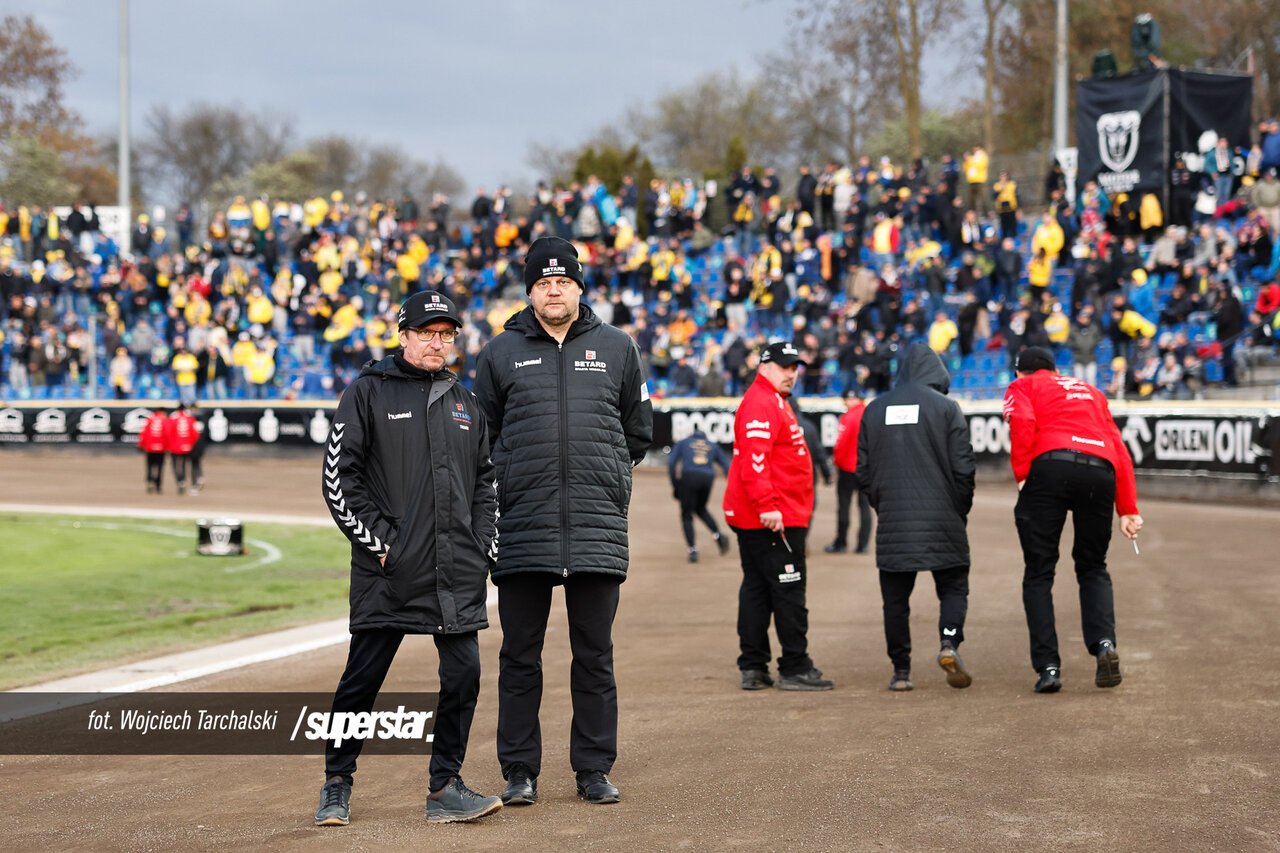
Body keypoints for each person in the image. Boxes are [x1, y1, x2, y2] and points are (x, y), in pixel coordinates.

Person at [473, 235, 653, 807]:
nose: (555, 291)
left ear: (579, 287)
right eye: (544, 283)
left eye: (564, 282)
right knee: (519, 657)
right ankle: (519, 771)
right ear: (530, 292)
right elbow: (481, 438)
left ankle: (593, 769)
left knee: (594, 655)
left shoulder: (618, 347)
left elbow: (638, 431)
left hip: (596, 526)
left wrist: (609, 478)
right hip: (522, 524)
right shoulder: (499, 352)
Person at [315, 290, 503, 826]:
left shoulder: (466, 403)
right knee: (362, 680)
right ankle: (336, 783)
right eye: (426, 333)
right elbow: (339, 479)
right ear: (404, 337)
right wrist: (384, 547)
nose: (437, 343)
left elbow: (486, 484)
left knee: (463, 677)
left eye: (446, 334)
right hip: (390, 572)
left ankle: (445, 787)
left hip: (455, 571)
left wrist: (482, 546)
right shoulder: (366, 392)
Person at [1002, 346, 1142, 694]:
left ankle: (1049, 667)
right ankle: (1104, 645)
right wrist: (1127, 508)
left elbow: (1022, 422)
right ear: (1054, 370)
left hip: (1050, 464)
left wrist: (1022, 474)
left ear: (1020, 372)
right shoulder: (1091, 391)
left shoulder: (1022, 386)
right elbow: (1118, 448)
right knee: (1093, 566)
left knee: (1039, 571)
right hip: (1100, 469)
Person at [856, 342, 976, 692]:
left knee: (895, 602)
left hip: (894, 519)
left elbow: (863, 471)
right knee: (953, 586)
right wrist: (959, 508)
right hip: (943, 517)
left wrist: (882, 504)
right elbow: (964, 468)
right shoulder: (946, 408)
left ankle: (901, 671)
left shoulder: (874, 409)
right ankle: (949, 642)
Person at [723, 341, 834, 692]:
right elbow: (754, 459)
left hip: (768, 514)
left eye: (794, 367)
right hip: (774, 517)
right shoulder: (762, 402)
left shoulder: (773, 400)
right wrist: (767, 504)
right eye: (784, 367)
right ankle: (794, 666)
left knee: (757, 589)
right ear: (764, 368)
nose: (791, 373)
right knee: (788, 591)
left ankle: (754, 666)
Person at [668, 429, 732, 563]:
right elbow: (726, 465)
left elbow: (671, 464)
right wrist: (732, 484)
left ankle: (692, 550)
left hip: (689, 477)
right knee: (700, 508)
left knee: (686, 514)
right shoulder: (713, 445)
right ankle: (718, 534)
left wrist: (676, 485)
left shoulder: (683, 443)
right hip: (708, 478)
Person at [825, 388, 873, 555]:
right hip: (866, 468)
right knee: (865, 507)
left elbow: (841, 443)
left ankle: (841, 542)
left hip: (848, 468)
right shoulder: (871, 414)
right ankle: (862, 544)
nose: (846, 402)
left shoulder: (848, 417)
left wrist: (837, 463)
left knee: (844, 506)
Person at [165, 404, 199, 496]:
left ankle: (179, 480)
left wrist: (168, 446)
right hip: (187, 446)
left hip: (174, 446)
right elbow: (195, 434)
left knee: (175, 464)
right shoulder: (190, 418)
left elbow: (168, 433)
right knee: (184, 463)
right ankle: (183, 479)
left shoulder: (173, 418)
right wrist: (190, 444)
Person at [138, 407, 168, 493]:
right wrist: (168, 447)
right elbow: (167, 434)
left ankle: (149, 481)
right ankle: (158, 485)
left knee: (149, 466)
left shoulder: (150, 419)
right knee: (160, 467)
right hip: (161, 448)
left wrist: (141, 445)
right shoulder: (164, 420)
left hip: (150, 448)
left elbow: (144, 433)